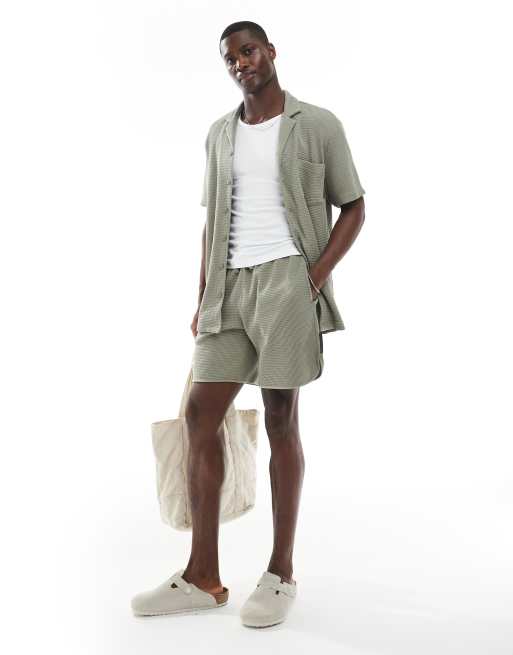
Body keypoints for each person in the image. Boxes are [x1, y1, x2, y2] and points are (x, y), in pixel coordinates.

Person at [131, 20, 366, 628]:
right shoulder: (220, 133)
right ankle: (203, 577)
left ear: (270, 51)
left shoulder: (317, 124)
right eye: (230, 58)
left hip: (288, 278)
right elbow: (212, 220)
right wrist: (203, 295)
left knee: (281, 417)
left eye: (248, 51)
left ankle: (281, 572)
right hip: (227, 288)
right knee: (198, 415)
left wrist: (313, 277)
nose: (241, 63)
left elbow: (354, 205)